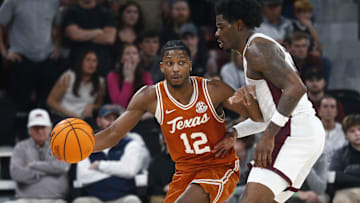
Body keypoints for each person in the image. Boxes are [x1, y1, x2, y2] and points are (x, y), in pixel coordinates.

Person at [92, 40, 263, 203]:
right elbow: (113, 134)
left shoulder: (213, 90)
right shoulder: (149, 97)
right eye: (169, 63)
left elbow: (259, 118)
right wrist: (83, 148)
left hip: (218, 166)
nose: (175, 69)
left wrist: (235, 130)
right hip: (184, 172)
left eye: (181, 63)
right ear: (162, 67)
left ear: (189, 65)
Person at [214, 0, 325, 202]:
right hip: (300, 131)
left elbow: (297, 87)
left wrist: (269, 135)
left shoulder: (257, 48)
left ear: (238, 25)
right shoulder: (254, 50)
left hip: (294, 132)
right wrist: (235, 132)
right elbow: (266, 118)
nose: (217, 33)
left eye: (221, 27)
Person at [72, 104, 149, 203]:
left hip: (123, 197)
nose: (112, 123)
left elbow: (130, 171)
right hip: (94, 199)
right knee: (80, 201)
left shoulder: (131, 144)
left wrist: (99, 165)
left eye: (116, 119)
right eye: (107, 119)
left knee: (133, 200)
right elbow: (83, 176)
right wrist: (120, 170)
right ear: (98, 121)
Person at [0, 0, 61, 111]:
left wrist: (57, 46)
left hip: (47, 57)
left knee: (46, 105)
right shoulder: (12, 2)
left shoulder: (54, 2)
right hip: (21, 58)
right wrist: (4, 52)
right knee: (19, 106)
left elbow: (57, 25)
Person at [5, 109, 70, 203]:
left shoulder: (60, 146)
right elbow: (17, 174)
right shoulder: (20, 147)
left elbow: (62, 167)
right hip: (25, 199)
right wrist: (48, 170)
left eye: (43, 127)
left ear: (50, 128)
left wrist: (33, 165)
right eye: (36, 128)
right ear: (29, 130)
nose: (40, 131)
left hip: (55, 199)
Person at [47, 50, 105, 121]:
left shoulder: (100, 82)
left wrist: (92, 107)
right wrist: (70, 114)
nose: (91, 64)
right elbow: (51, 101)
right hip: (62, 118)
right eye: (88, 60)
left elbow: (100, 104)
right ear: (81, 62)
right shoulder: (69, 77)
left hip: (83, 121)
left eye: (94, 61)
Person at [62, 0, 116, 75]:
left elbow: (109, 38)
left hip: (101, 66)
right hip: (76, 65)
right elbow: (75, 35)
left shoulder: (106, 13)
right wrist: (98, 31)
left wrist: (83, 35)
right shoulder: (71, 12)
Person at [107, 43, 153, 109]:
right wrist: (128, 80)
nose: (131, 56)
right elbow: (120, 104)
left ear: (138, 59)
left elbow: (150, 100)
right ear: (121, 59)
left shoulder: (146, 75)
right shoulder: (112, 76)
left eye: (134, 53)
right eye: (127, 54)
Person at [328, 114, 360, 203]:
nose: (357, 133)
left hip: (350, 186)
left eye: (359, 130)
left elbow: (342, 176)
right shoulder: (340, 153)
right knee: (341, 199)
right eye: (352, 131)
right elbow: (334, 177)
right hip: (347, 191)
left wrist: (349, 170)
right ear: (346, 136)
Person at [318, 95, 347, 165]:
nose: (329, 110)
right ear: (319, 111)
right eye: (325, 106)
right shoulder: (312, 131)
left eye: (332, 107)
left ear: (336, 111)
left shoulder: (344, 130)